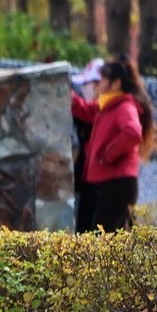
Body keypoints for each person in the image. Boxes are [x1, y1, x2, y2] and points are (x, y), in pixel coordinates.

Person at [69, 55, 157, 232]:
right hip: (112, 184)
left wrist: (107, 155)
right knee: (117, 239)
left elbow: (133, 133)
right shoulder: (108, 106)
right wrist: (66, 95)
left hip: (118, 183)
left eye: (102, 80)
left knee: (100, 240)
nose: (98, 84)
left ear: (116, 83)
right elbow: (86, 110)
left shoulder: (124, 107)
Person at [69, 58, 104, 233]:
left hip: (99, 181)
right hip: (87, 178)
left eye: (86, 84)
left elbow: (87, 111)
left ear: (98, 84)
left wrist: (67, 96)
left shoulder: (104, 108)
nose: (83, 88)